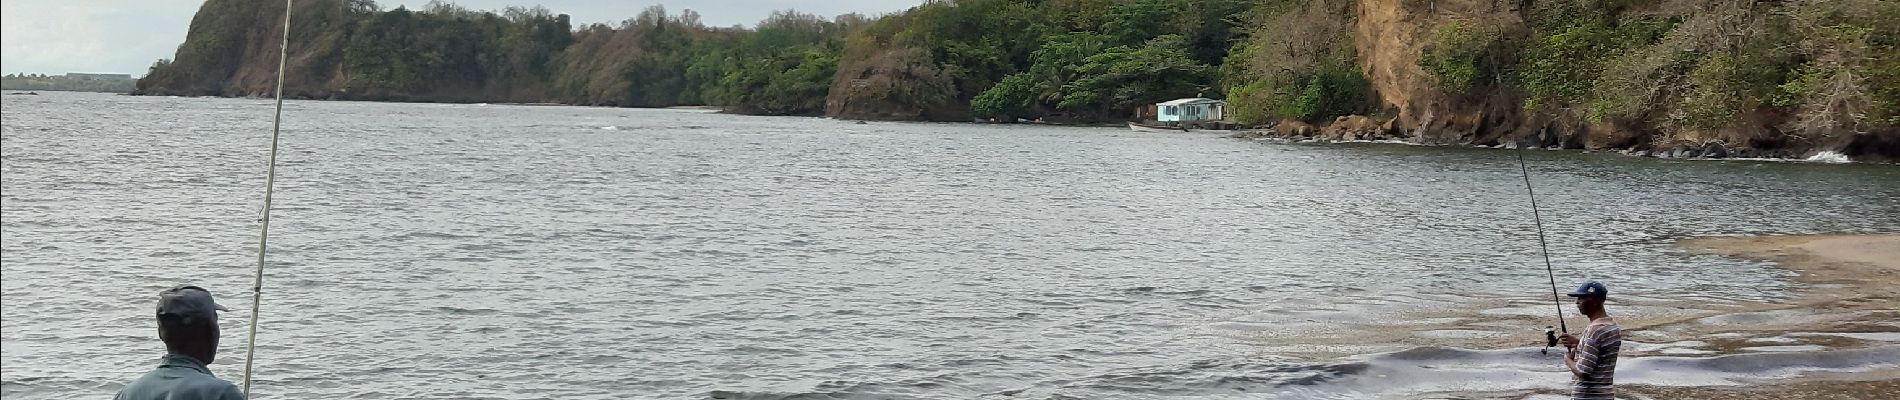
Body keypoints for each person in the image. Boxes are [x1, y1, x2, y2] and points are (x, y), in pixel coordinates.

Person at [116, 285, 246, 400]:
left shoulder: (127, 394)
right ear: (211, 331)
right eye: (215, 323)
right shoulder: (222, 394)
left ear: (160, 334)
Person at [1557, 281, 1621, 400]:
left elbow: (1583, 372)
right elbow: (1601, 352)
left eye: (1581, 298)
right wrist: (1579, 343)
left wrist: (1568, 360)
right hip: (1606, 394)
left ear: (1595, 301)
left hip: (1588, 395)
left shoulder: (1594, 330)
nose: (1577, 302)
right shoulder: (1612, 326)